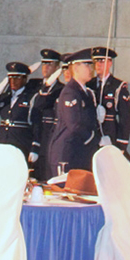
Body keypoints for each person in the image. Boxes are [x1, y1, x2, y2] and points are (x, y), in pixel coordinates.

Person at [48, 48, 100, 180]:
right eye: (87, 65)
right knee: (64, 194)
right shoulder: (70, 92)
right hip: (67, 152)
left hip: (80, 151)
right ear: (75, 68)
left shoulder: (87, 93)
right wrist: (95, 137)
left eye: (91, 64)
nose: (91, 68)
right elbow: (74, 125)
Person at [0, 61, 40, 163]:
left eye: (17, 78)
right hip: (2, 142)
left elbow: (37, 124)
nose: (13, 81)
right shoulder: (5, 96)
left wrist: (35, 147)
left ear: (25, 78)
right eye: (11, 78)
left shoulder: (31, 97)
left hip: (20, 143)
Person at [26, 48, 62, 180]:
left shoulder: (60, 90)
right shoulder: (33, 84)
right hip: (26, 137)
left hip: (44, 139)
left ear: (57, 67)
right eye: (44, 63)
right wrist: (26, 72)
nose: (45, 67)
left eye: (50, 64)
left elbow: (41, 104)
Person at [89, 46, 130, 153]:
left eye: (102, 61)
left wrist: (121, 144)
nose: (98, 64)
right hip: (91, 138)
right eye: (96, 61)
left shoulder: (117, 86)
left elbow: (125, 118)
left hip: (110, 137)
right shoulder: (89, 85)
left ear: (110, 63)